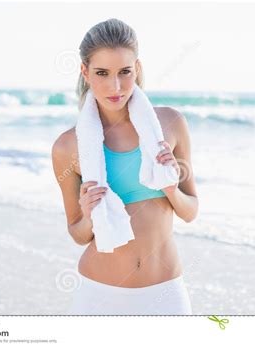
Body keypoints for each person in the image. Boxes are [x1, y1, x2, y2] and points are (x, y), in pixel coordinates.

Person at [52, 18, 198, 315]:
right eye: (102, 73)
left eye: (125, 72)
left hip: (166, 292)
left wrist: (170, 187)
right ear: (85, 71)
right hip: (99, 294)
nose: (114, 86)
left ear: (137, 69)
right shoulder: (68, 146)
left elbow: (190, 211)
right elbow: (78, 233)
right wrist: (90, 215)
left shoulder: (169, 124)